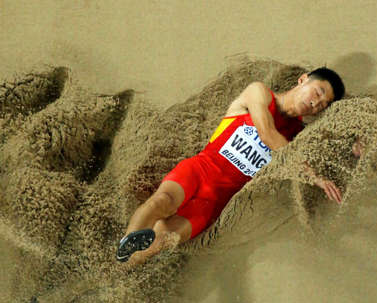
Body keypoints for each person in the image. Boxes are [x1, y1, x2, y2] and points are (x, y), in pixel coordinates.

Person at [116, 67, 348, 265]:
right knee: (161, 202)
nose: (316, 103)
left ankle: (116, 273)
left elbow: (328, 142)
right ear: (303, 79)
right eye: (318, 92)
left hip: (215, 204)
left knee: (162, 241)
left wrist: (354, 141)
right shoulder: (259, 93)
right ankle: (126, 246)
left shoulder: (299, 135)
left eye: (323, 104)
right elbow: (267, 134)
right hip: (198, 171)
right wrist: (314, 176)